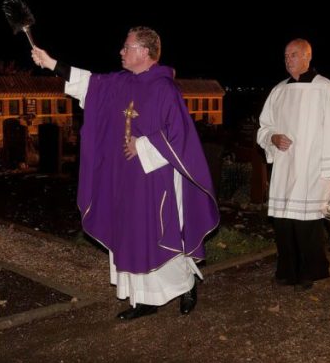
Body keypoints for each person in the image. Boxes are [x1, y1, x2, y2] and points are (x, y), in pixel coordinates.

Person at [31, 27, 219, 320]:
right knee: (130, 234)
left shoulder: (164, 88)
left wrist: (144, 145)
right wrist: (51, 62)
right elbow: (87, 83)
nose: (121, 51)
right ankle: (144, 299)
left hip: (153, 178)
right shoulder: (119, 82)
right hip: (123, 176)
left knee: (156, 233)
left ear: (144, 52)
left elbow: (179, 136)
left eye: (126, 47)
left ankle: (186, 284)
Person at [257, 39, 330, 289]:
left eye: (294, 54)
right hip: (285, 167)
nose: (288, 59)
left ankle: (311, 271)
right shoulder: (279, 90)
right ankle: (287, 270)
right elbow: (264, 127)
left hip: (314, 168)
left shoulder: (323, 87)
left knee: (308, 224)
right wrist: (273, 137)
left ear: (308, 56)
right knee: (284, 223)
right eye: (286, 56)